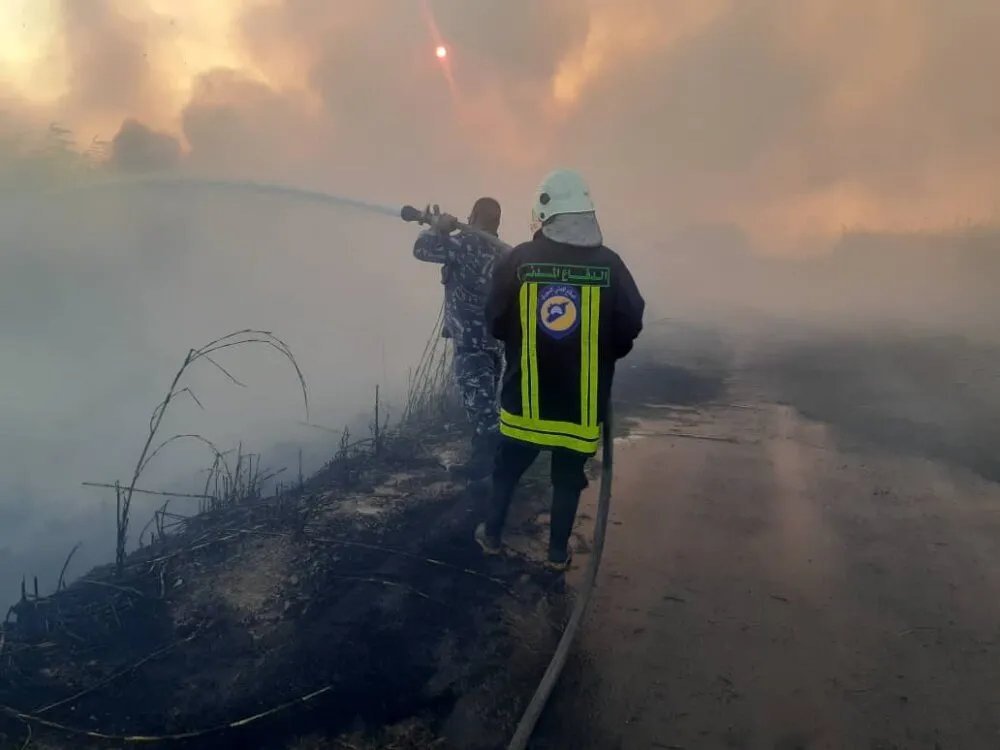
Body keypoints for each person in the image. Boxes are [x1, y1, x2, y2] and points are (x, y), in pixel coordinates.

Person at [475, 169, 645, 571]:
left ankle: (492, 536)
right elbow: (630, 321)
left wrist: (522, 338)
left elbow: (496, 321)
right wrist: (606, 354)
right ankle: (556, 555)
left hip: (524, 406)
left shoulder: (518, 259)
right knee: (568, 479)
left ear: (543, 213)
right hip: (579, 409)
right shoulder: (610, 265)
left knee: (507, 470)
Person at [413, 197, 507, 478]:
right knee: (487, 404)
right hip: (494, 344)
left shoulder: (466, 245)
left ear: (474, 216)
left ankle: (488, 472)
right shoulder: (501, 252)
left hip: (471, 342)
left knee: (482, 410)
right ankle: (486, 462)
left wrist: (437, 229)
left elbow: (421, 249)